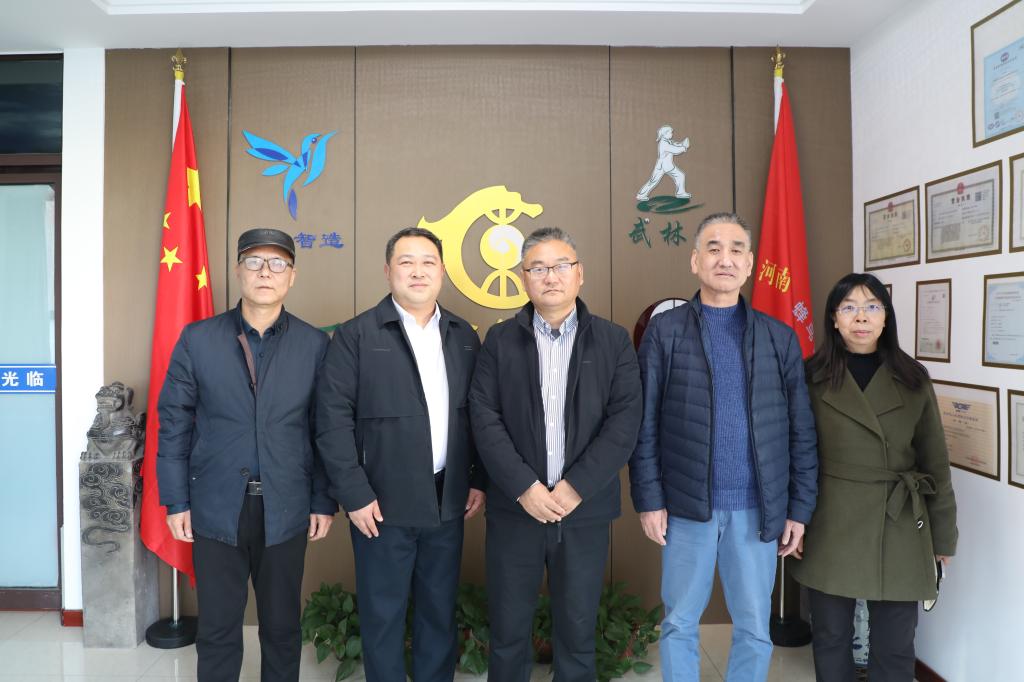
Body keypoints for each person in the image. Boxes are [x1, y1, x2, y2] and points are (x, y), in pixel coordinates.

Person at [628, 212, 818, 681]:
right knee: (679, 622)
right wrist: (649, 499)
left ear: (750, 264)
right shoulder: (666, 332)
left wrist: (799, 508)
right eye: (713, 249)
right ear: (695, 261)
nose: (725, 259)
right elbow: (643, 423)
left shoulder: (778, 338)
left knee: (753, 626)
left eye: (736, 250)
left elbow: (801, 430)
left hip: (757, 508)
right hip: (687, 505)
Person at [158, 227, 336, 682]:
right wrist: (176, 500)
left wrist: (322, 500)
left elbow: (324, 429)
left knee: (282, 627)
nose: (265, 272)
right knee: (218, 629)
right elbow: (174, 423)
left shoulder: (314, 345)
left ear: (292, 276)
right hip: (217, 504)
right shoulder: (198, 339)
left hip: (286, 506)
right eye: (254, 262)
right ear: (238, 271)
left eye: (277, 263)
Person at [470, 226, 643, 682]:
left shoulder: (613, 341)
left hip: (583, 511)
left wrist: (576, 486)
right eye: (538, 268)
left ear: (579, 274)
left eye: (561, 265)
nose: (551, 276)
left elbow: (624, 422)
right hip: (516, 510)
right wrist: (524, 487)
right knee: (508, 631)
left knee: (578, 631)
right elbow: (484, 418)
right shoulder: (499, 341)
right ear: (523, 278)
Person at [316, 227, 485, 682]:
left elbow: (481, 415)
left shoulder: (463, 336)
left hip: (447, 499)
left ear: (442, 272)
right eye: (406, 262)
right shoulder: (355, 335)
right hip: (379, 504)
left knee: (438, 612)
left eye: (428, 262)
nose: (417, 271)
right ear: (388, 271)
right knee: (383, 615)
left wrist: (477, 479)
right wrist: (354, 493)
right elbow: (331, 420)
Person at [790, 272, 957, 682]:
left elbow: (935, 462)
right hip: (830, 518)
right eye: (849, 307)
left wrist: (943, 537)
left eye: (871, 306)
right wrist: (795, 519)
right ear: (833, 318)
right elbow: (794, 455)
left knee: (896, 643)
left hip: (899, 520)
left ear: (886, 317)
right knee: (830, 636)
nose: (861, 317)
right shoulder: (809, 376)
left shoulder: (913, 378)